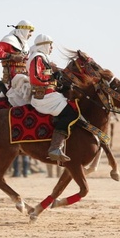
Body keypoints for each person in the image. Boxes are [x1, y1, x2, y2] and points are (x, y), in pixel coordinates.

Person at [27, 34, 78, 162]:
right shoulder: (36, 58)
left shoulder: (42, 58)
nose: (52, 48)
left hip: (49, 95)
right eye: (50, 45)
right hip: (44, 97)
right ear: (44, 45)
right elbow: (36, 78)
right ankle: (55, 147)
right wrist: (53, 77)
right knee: (71, 113)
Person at [0, 20, 34, 92]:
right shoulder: (10, 40)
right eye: (30, 31)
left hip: (24, 76)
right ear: (24, 30)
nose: (31, 34)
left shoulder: (25, 45)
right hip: (12, 80)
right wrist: (12, 57)